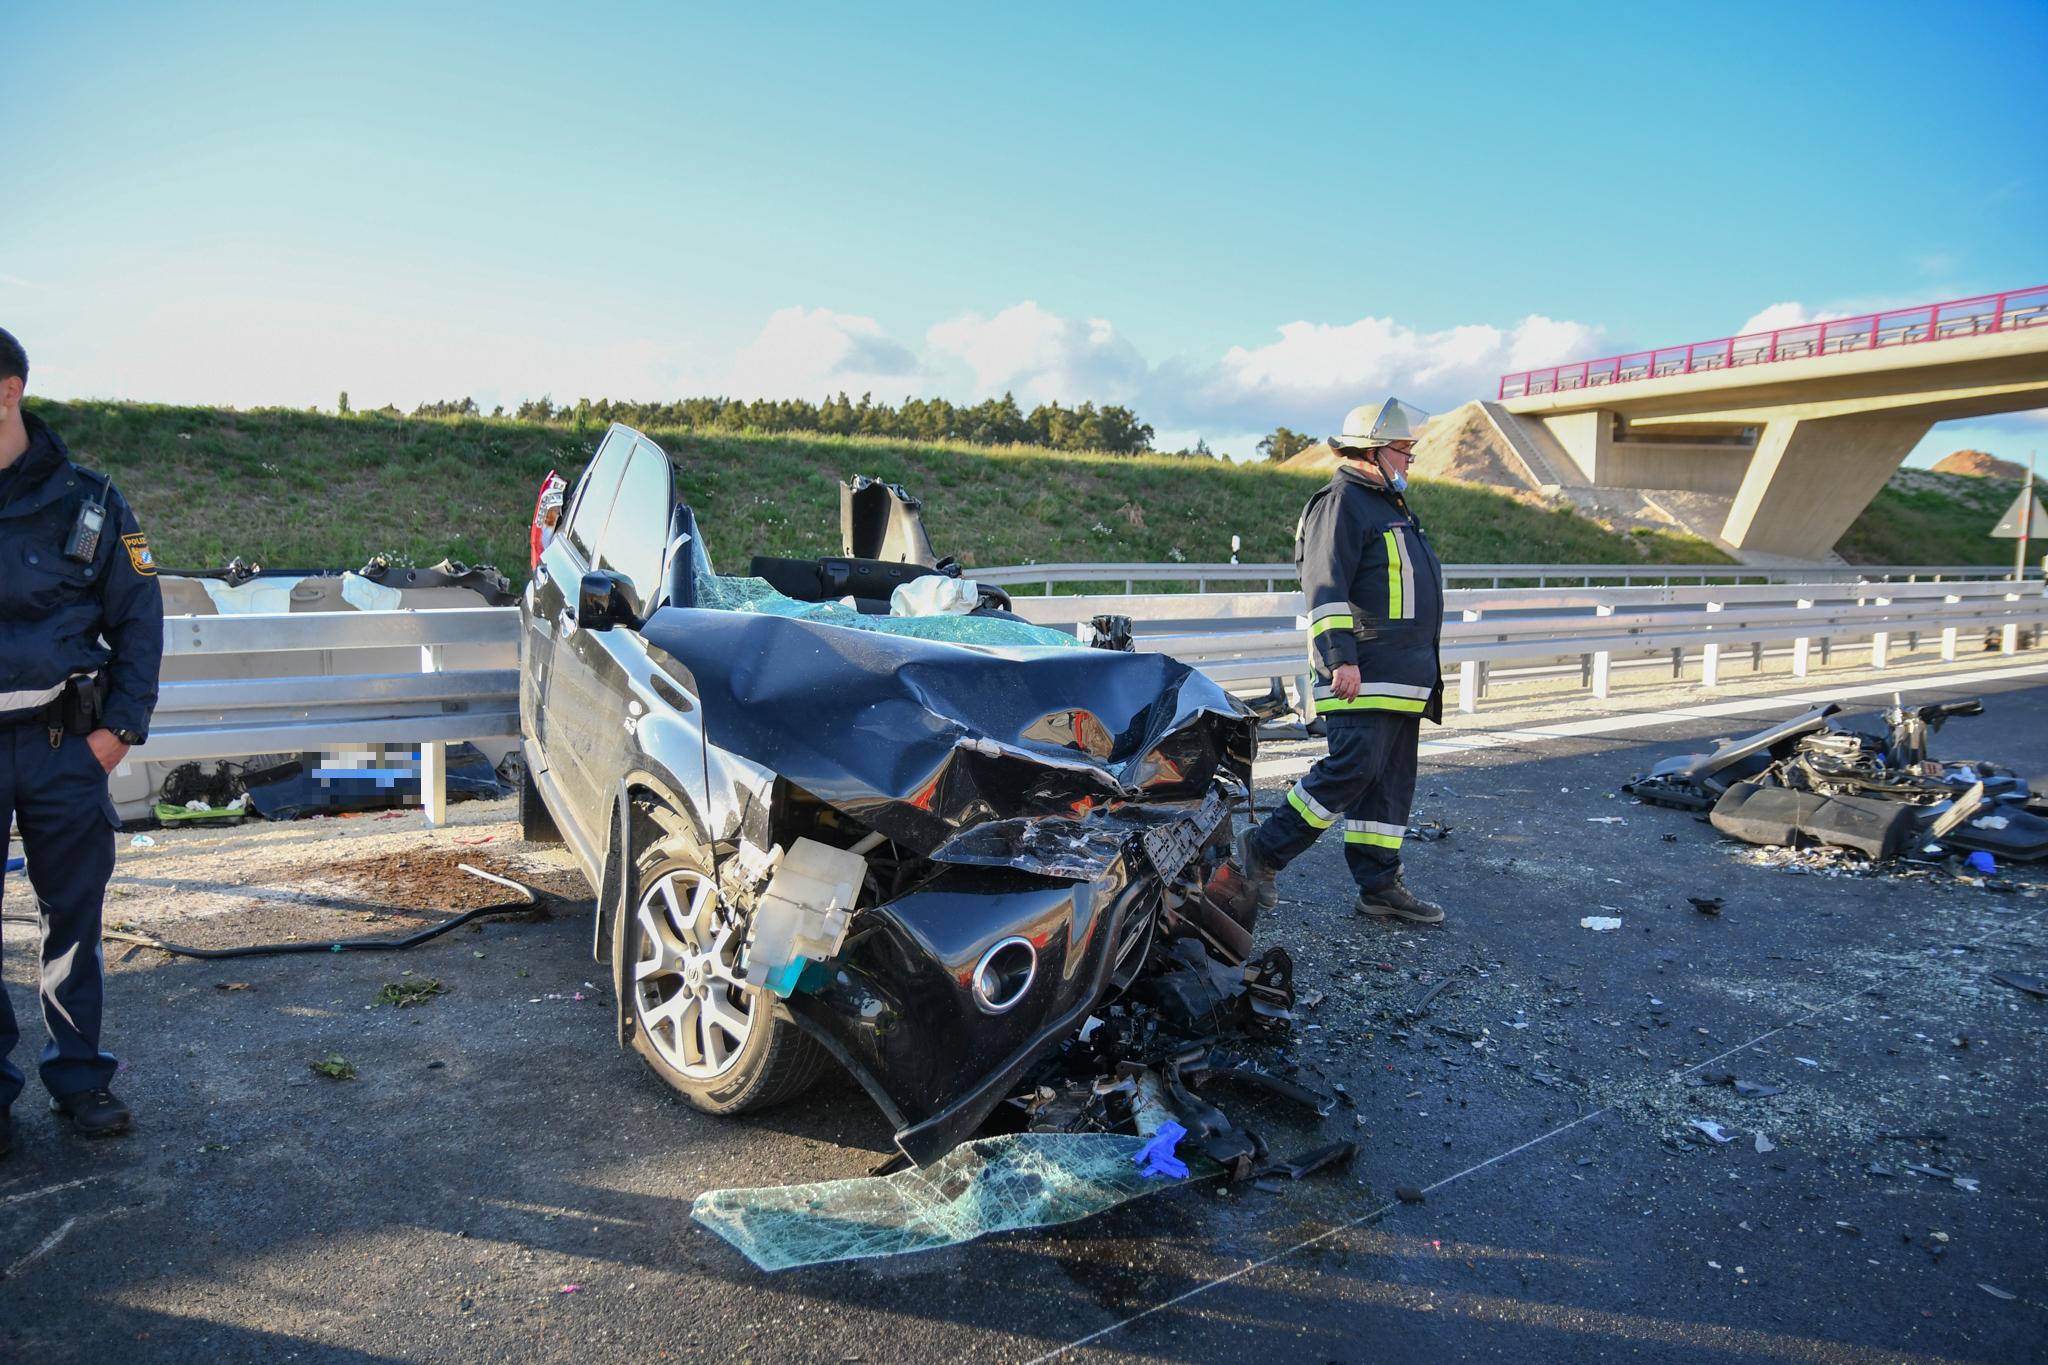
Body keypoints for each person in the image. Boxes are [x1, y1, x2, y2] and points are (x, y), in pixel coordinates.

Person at [0, 327, 164, 1156]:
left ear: (9, 391)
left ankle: (80, 1078)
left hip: (64, 742)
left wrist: (119, 730)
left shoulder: (87, 502)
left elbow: (139, 615)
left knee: (74, 915)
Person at [1227, 397, 1447, 924]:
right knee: (1352, 767)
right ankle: (1265, 848)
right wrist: (1338, 659)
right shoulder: (1342, 503)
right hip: (1362, 673)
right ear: (1373, 451)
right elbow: (1325, 590)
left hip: (1402, 677)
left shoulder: (1386, 505)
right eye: (1404, 450)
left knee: (1389, 782)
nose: (1409, 460)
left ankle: (1379, 886)